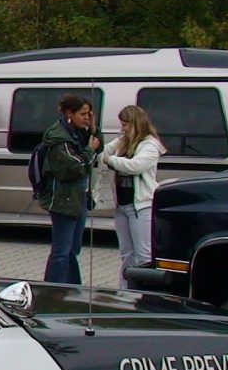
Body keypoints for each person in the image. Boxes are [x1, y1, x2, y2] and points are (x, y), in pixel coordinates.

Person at [39, 93, 102, 284]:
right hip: (64, 200)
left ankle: (72, 287)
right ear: (69, 113)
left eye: (89, 114)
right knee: (62, 251)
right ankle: (53, 287)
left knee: (73, 249)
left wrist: (94, 129)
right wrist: (89, 150)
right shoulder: (60, 139)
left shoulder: (78, 132)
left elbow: (98, 147)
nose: (86, 118)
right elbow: (78, 167)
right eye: (83, 114)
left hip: (79, 197)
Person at [103, 105, 166, 288]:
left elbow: (135, 166)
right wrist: (115, 144)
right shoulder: (124, 141)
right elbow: (102, 153)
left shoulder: (150, 144)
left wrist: (111, 160)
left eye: (126, 124)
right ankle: (125, 291)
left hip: (141, 206)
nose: (122, 128)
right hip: (122, 206)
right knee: (126, 254)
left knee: (143, 255)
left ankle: (145, 291)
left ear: (136, 123)